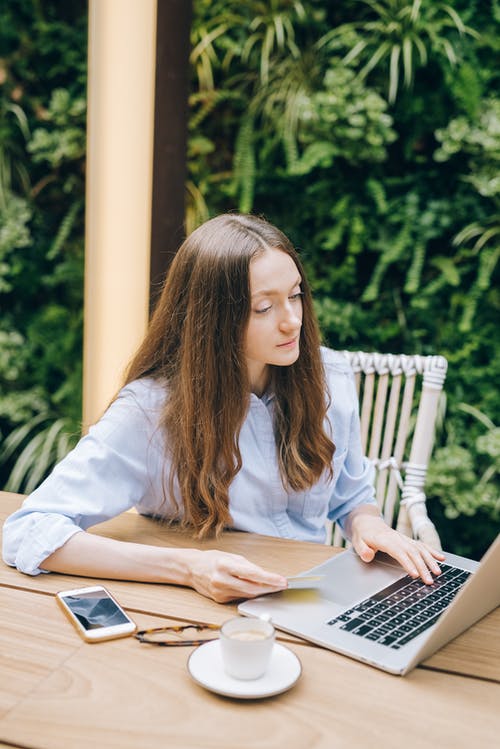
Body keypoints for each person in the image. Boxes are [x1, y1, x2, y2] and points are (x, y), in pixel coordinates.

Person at [2, 213, 445, 602]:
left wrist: (370, 528)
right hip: (201, 610)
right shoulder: (150, 411)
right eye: (264, 307)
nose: (293, 320)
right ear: (212, 319)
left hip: (310, 595)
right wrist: (187, 569)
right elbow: (28, 530)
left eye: (296, 295)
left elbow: (352, 498)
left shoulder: (330, 376)